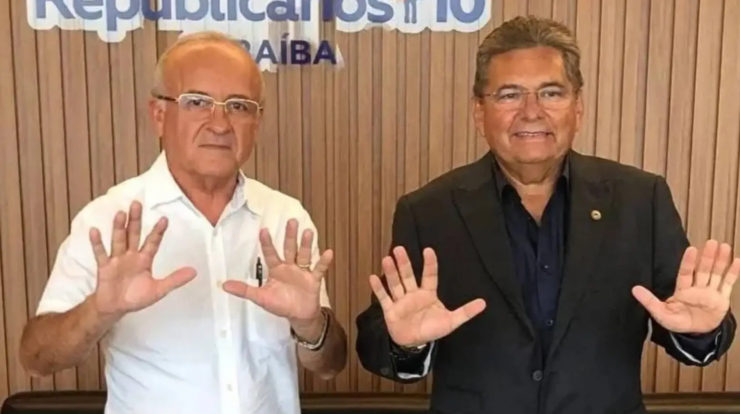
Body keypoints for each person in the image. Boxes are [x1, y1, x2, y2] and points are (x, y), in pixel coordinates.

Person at [355, 15, 738, 414]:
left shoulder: (641, 199)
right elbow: (377, 341)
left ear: (578, 108)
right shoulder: (427, 210)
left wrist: (701, 331)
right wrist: (407, 345)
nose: (531, 112)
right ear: (479, 112)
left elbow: (682, 314)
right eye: (509, 95)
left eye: (551, 93)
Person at [19, 31, 347, 414]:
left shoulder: (285, 218)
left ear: (257, 121)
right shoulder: (111, 219)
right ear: (159, 115)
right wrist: (99, 310)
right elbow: (36, 359)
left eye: (238, 106)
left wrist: (310, 325)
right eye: (197, 102)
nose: (220, 124)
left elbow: (329, 366)